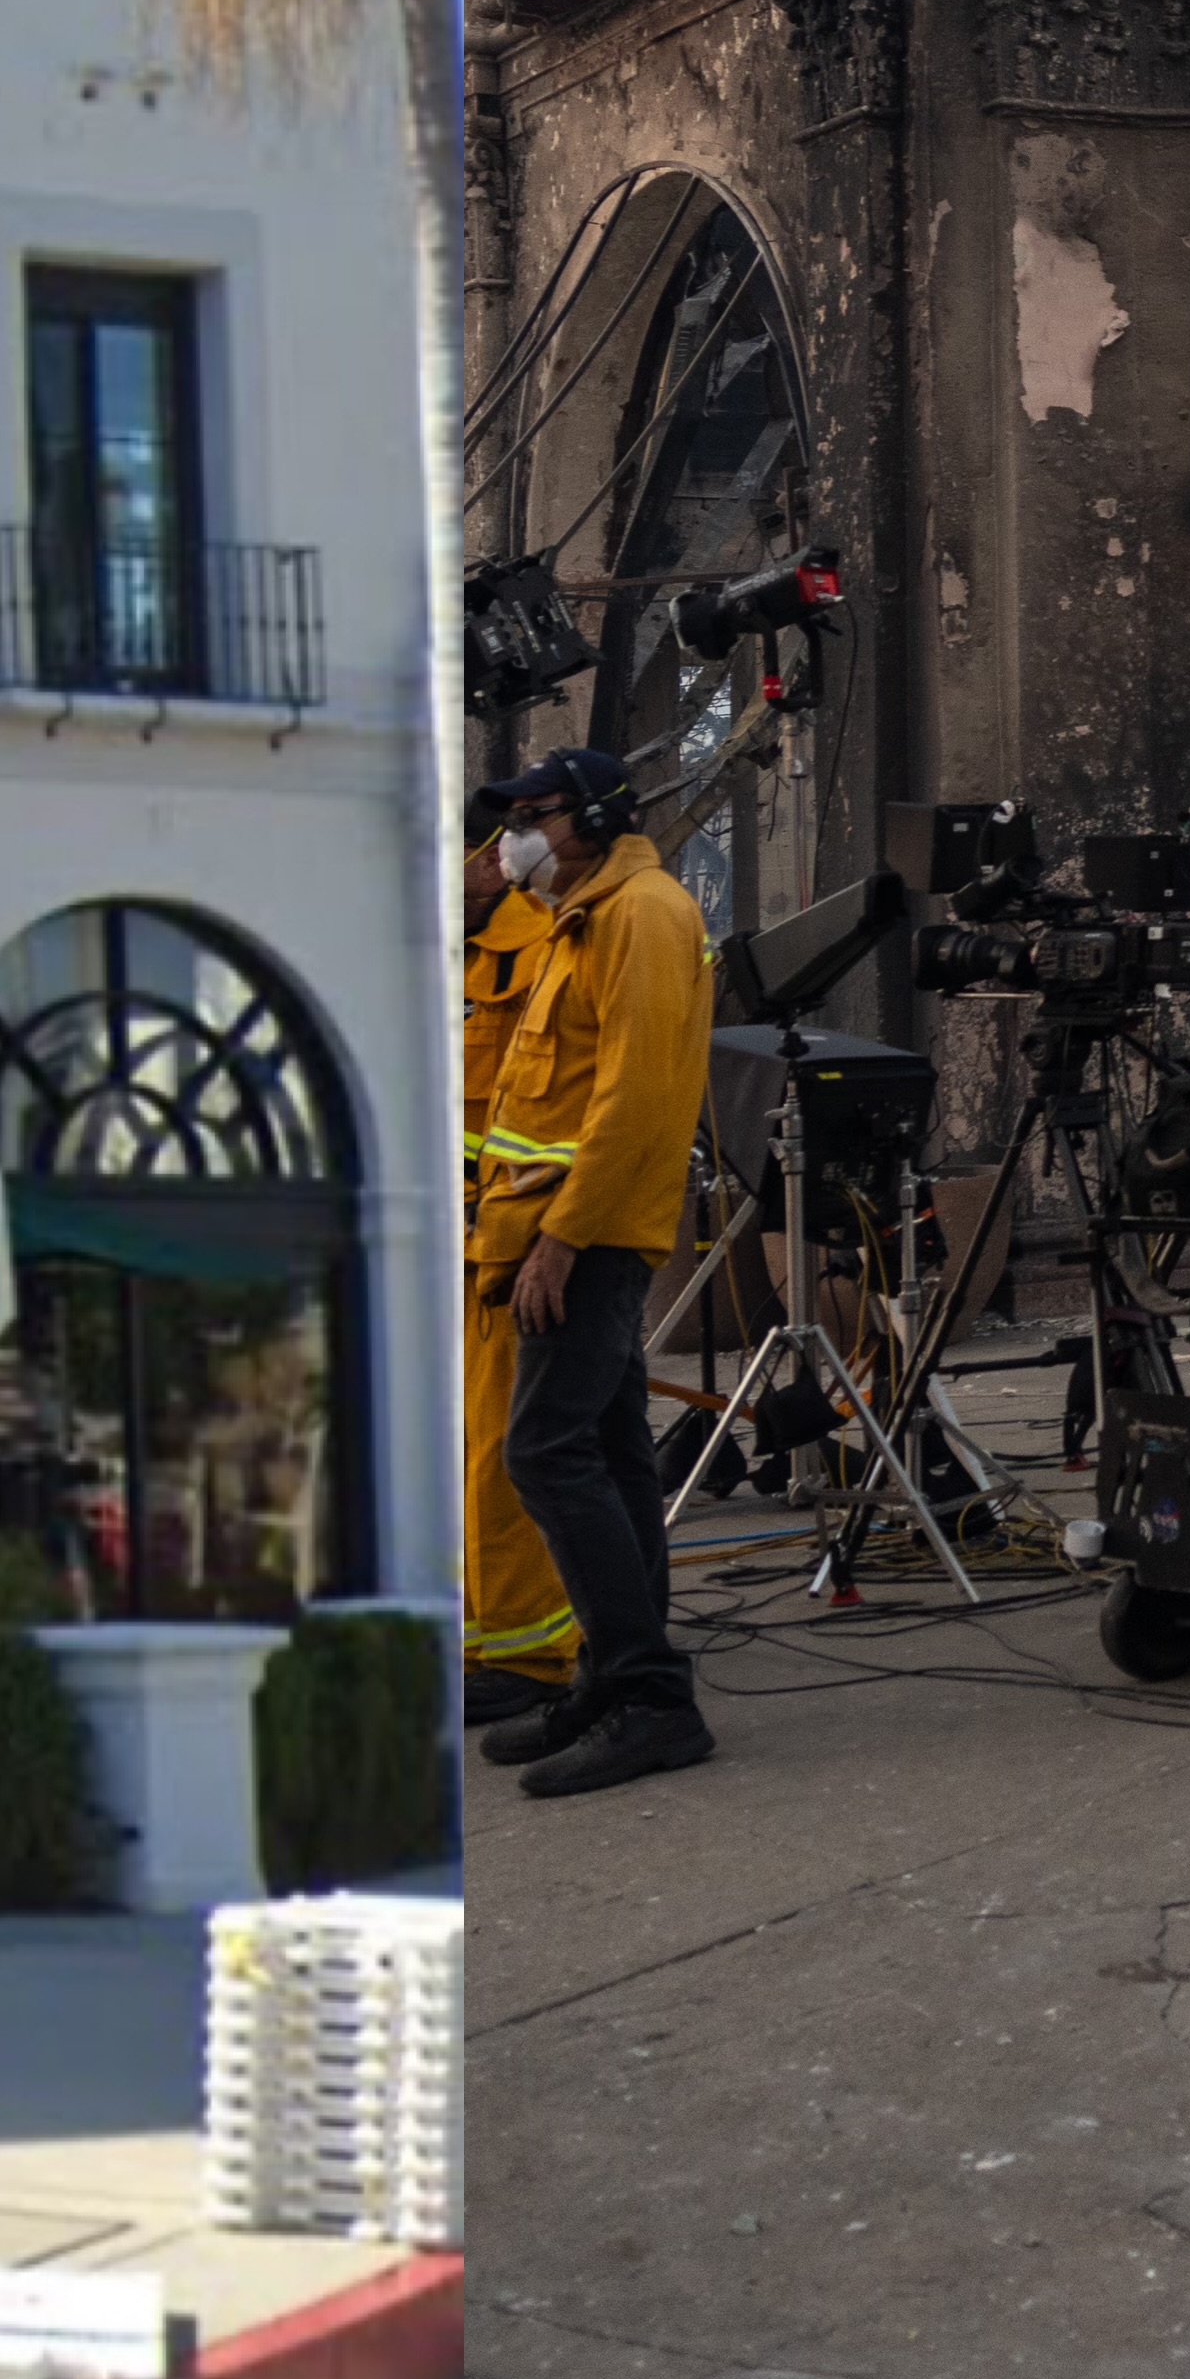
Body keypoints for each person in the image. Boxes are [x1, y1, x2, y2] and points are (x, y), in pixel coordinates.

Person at [478, 746, 725, 1800]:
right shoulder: (583, 917)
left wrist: (563, 1239)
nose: (513, 841)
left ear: (593, 818)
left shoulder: (643, 916)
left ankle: (651, 1699)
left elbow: (636, 1099)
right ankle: (615, 1677)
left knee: (545, 1452)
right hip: (562, 1230)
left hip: (587, 1237)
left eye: (532, 817)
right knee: (615, 1452)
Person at [453, 818, 589, 1732]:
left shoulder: (544, 948)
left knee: (505, 1452)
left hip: (505, 1245)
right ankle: (476, 1633)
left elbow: (556, 1112)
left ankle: (531, 1653)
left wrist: (547, 1239)